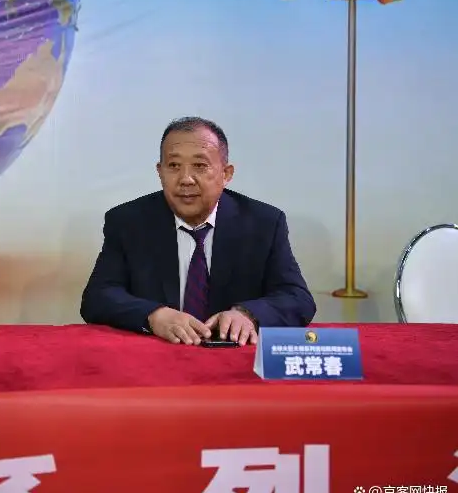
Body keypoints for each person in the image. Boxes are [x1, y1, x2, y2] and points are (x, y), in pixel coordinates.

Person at [80, 117, 316, 345]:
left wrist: (248, 314)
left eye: (200, 166)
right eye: (174, 166)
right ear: (160, 172)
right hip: (158, 357)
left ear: (226, 174)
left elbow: (297, 298)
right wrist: (153, 315)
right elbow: (98, 296)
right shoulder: (128, 222)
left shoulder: (263, 223)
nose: (186, 179)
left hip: (232, 359)